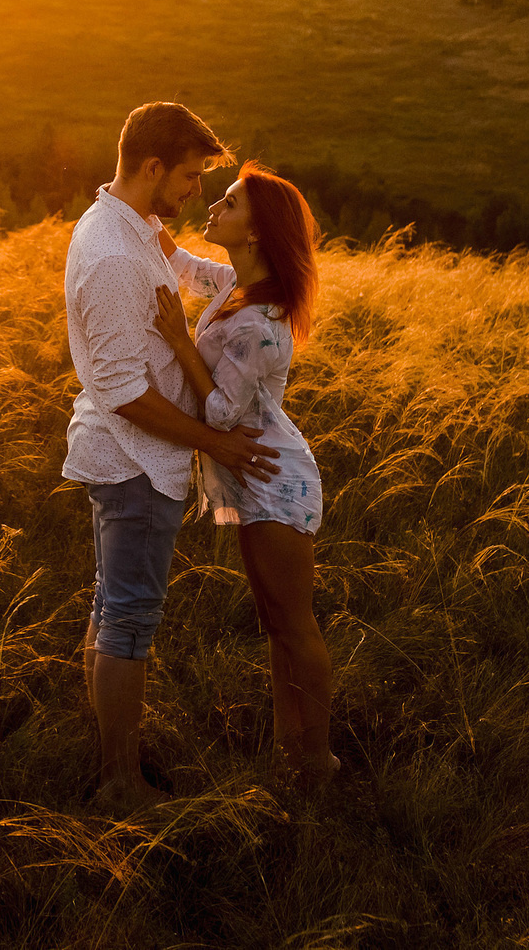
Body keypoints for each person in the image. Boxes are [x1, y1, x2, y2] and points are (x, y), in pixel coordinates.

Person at [63, 101, 280, 812]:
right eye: (188, 176)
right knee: (129, 619)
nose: (194, 191)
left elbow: (187, 274)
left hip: (128, 456)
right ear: (152, 167)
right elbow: (127, 391)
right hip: (134, 460)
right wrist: (216, 441)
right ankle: (118, 780)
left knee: (111, 604)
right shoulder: (116, 256)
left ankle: (106, 752)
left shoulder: (131, 228)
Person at [150, 161, 335, 792]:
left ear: (255, 234)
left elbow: (223, 413)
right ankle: (292, 752)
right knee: (275, 622)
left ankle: (319, 759)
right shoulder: (236, 285)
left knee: (296, 624)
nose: (214, 208)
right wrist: (141, 207)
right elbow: (184, 265)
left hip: (274, 478)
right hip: (255, 471)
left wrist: (179, 341)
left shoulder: (263, 323)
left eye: (227, 204)